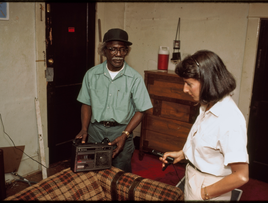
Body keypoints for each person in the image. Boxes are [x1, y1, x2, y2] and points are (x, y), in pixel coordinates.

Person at [159, 50, 249, 200]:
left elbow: (241, 176)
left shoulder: (230, 119)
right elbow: (207, 142)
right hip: (194, 178)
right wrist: (182, 154)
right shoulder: (207, 105)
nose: (184, 89)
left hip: (208, 188)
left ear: (208, 82)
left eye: (189, 84)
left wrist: (204, 193)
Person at [75, 28, 153, 173]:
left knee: (119, 176)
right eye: (113, 49)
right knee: (92, 172)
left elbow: (141, 110)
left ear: (126, 52)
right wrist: (84, 128)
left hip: (121, 131)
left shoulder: (134, 78)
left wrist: (125, 134)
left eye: (123, 50)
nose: (118, 54)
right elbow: (86, 103)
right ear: (104, 51)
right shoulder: (92, 75)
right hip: (95, 131)